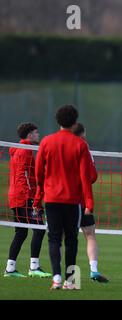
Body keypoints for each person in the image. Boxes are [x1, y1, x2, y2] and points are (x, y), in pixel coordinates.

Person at [34, 105, 94, 290]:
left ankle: (57, 278)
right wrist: (89, 203)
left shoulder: (46, 141)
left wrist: (39, 196)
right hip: (73, 201)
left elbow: (38, 173)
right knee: (71, 240)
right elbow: (86, 177)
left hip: (52, 199)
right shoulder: (80, 144)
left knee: (53, 239)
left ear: (57, 121)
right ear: (74, 121)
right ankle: (71, 280)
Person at [4, 123, 52, 278]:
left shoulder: (19, 149)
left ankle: (10, 269)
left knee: (21, 232)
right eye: (36, 133)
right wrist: (31, 198)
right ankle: (34, 267)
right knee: (38, 229)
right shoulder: (26, 150)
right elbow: (22, 175)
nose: (39, 135)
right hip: (25, 197)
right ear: (30, 135)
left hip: (15, 197)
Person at [72, 123, 108, 283]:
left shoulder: (52, 143)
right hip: (80, 199)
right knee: (90, 234)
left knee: (59, 237)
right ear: (82, 133)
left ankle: (59, 275)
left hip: (58, 199)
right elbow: (92, 175)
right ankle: (93, 270)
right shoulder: (83, 147)